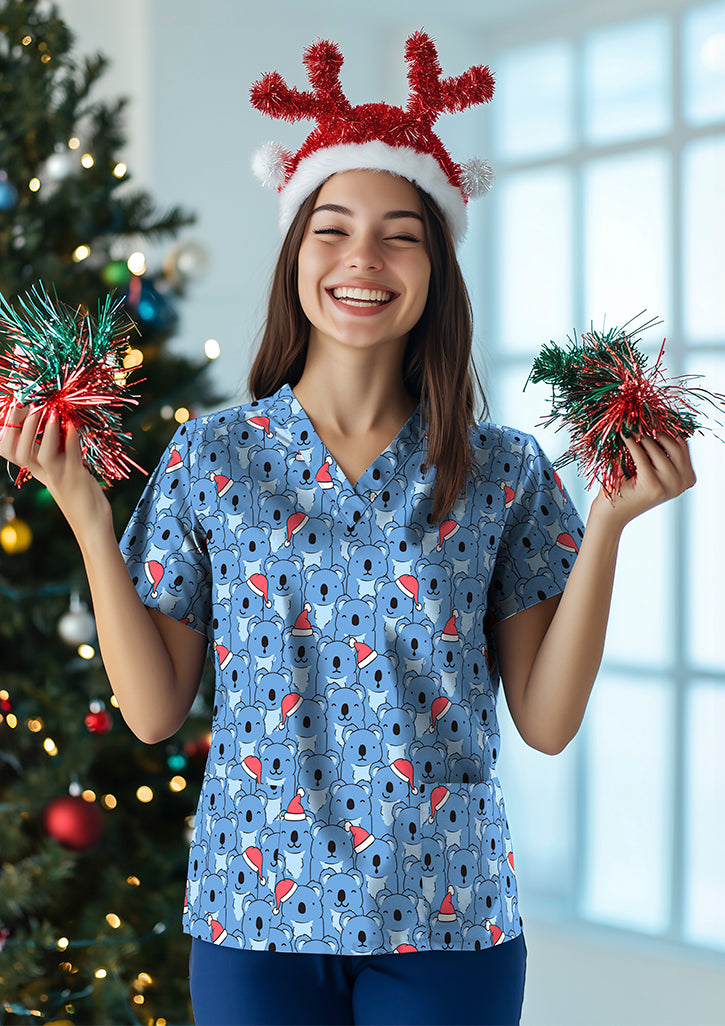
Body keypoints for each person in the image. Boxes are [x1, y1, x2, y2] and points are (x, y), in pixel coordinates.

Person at [0, 32, 695, 1026]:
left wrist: (612, 524)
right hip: (253, 920)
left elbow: (543, 723)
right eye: (330, 228)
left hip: (447, 926)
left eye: (398, 233)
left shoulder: (503, 471)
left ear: (434, 264)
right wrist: (83, 514)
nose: (361, 258)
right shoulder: (210, 458)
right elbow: (154, 712)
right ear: (296, 254)